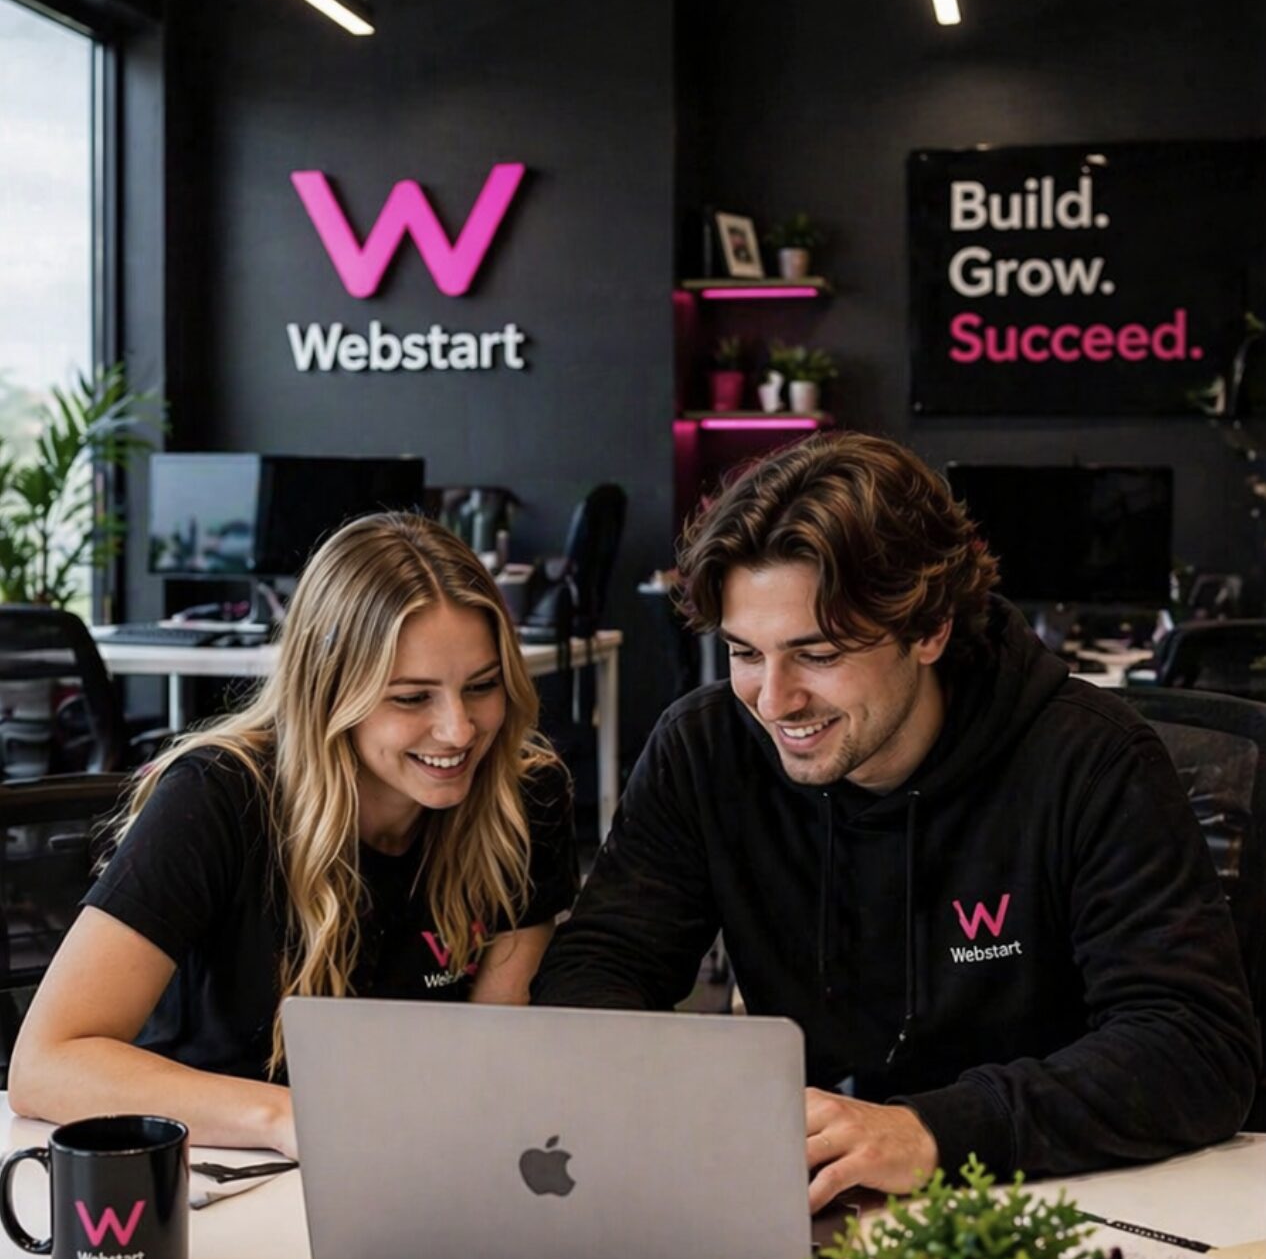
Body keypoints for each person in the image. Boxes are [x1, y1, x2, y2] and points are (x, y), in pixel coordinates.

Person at [532, 433, 1259, 1206]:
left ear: (929, 631)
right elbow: (601, 964)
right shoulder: (706, 749)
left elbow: (1194, 1048)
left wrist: (931, 1132)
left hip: (1061, 1201)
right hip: (826, 1199)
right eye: (746, 652)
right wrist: (670, 1099)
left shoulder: (1092, 760)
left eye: (817, 655)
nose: (773, 702)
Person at [9, 512, 577, 1157]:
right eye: (411, 698)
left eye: (482, 686)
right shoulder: (217, 797)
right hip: (222, 1172)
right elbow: (46, 1064)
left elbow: (495, 1043)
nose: (459, 730)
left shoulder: (520, 794)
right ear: (330, 693)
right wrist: (291, 1119)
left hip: (404, 1163)